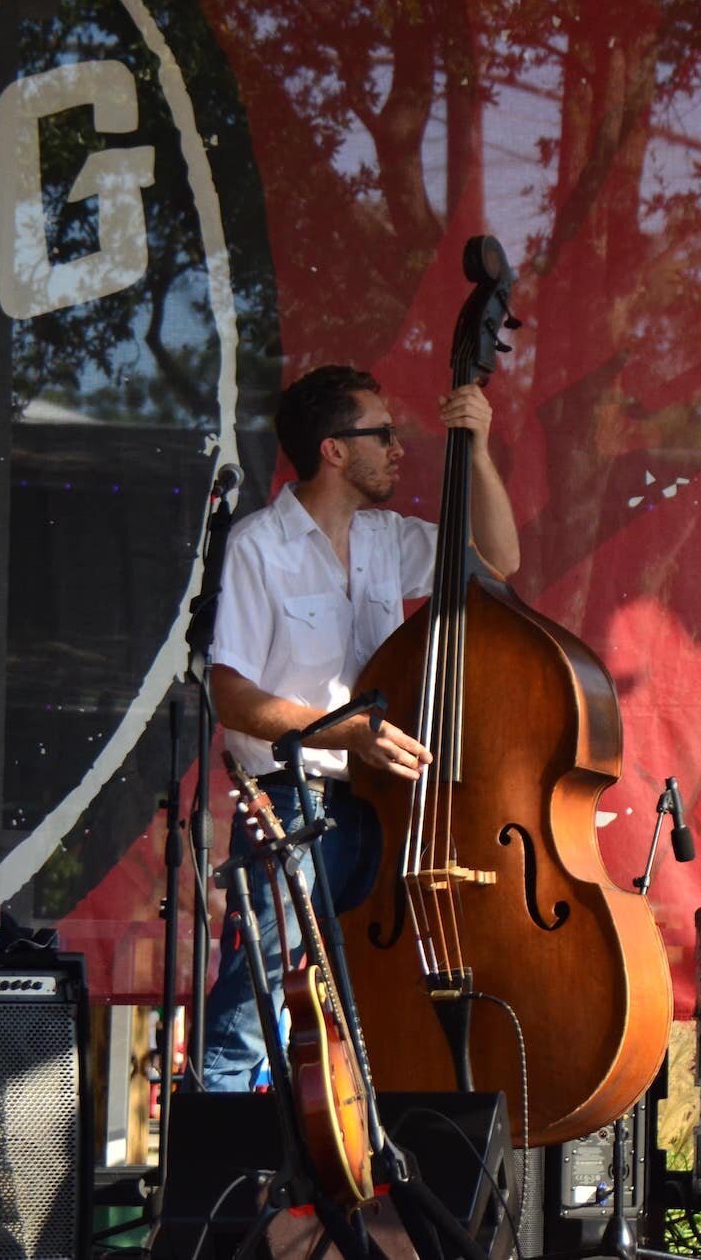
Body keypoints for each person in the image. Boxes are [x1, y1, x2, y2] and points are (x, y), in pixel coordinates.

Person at [198, 364, 520, 1092]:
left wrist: (481, 449)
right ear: (334, 449)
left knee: (362, 1007)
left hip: (383, 808)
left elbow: (500, 561)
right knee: (248, 1011)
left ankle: (338, 1181)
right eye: (381, 433)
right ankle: (218, 1196)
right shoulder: (258, 546)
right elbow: (231, 694)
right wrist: (344, 732)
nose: (398, 447)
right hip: (291, 803)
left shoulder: (384, 538)